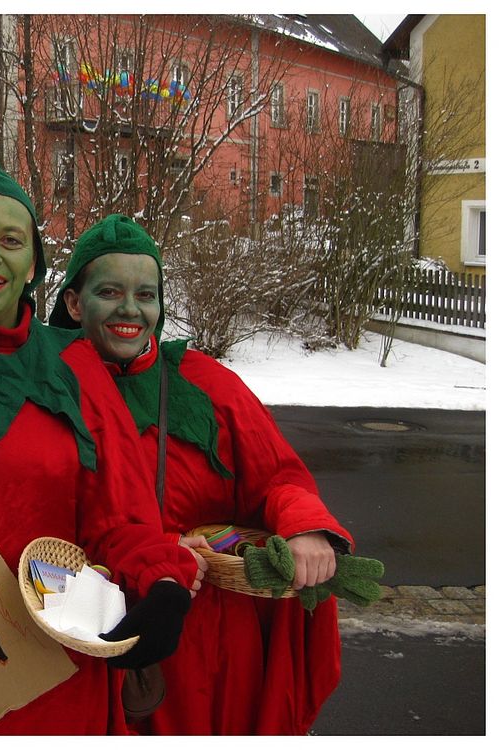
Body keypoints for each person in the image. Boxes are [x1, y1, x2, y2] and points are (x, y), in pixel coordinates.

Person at [0, 162, 203, 735]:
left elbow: (119, 518)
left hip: (55, 674)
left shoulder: (78, 371)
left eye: (12, 241)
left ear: (32, 265)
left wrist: (162, 584)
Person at [49, 214, 354, 735]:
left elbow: (278, 476)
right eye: (110, 291)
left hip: (214, 643)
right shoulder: (46, 385)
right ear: (75, 303)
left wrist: (305, 528)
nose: (130, 309)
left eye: (146, 294)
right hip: (103, 628)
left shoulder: (209, 384)